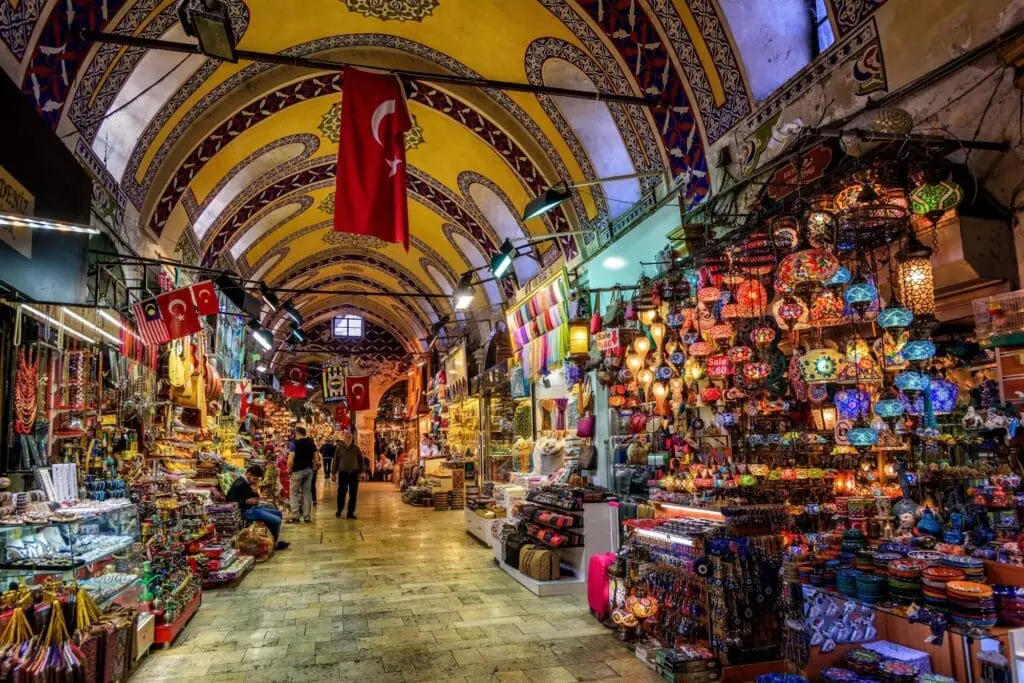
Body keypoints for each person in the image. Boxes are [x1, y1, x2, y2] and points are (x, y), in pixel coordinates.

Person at [226, 464, 289, 550]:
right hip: (246, 511)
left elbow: (254, 497)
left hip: (253, 508)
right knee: (276, 520)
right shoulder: (239, 483)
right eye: (254, 479)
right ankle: (274, 544)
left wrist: (255, 491)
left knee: (278, 514)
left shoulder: (248, 483)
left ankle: (272, 540)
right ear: (248, 474)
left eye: (257, 479)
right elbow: (229, 500)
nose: (256, 481)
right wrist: (246, 501)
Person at [331, 429, 362, 519]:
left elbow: (361, 461)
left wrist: (362, 472)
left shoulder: (356, 449)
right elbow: (335, 461)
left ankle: (350, 513)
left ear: (352, 438)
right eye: (347, 437)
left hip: (353, 474)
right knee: (341, 493)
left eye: (350, 437)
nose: (348, 438)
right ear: (344, 438)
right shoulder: (339, 449)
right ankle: (339, 509)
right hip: (343, 474)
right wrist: (333, 473)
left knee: (353, 494)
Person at [288, 426, 316, 523]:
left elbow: (290, 460)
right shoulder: (311, 443)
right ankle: (307, 517)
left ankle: (295, 517)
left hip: (297, 471)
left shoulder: (294, 443)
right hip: (308, 470)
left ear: (297, 433)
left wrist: (289, 469)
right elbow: (316, 458)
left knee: (294, 493)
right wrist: (313, 466)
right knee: (307, 493)